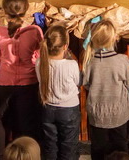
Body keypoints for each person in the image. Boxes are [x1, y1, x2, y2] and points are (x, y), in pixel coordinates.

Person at [0, 0, 44, 149]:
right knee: (27, 123)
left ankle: (0, 155)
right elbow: (40, 57)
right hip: (28, 83)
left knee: (1, 120)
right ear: (26, 9)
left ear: (4, 10)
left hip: (4, 83)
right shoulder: (35, 31)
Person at [82, 20, 129, 160]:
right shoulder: (122, 60)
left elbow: (86, 84)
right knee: (120, 148)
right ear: (114, 38)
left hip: (97, 114)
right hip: (119, 113)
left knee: (98, 148)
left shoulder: (90, 61)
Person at [37, 24, 81, 160]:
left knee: (50, 146)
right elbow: (78, 82)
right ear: (65, 46)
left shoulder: (40, 63)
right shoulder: (72, 64)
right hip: (69, 110)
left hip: (47, 108)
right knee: (69, 146)